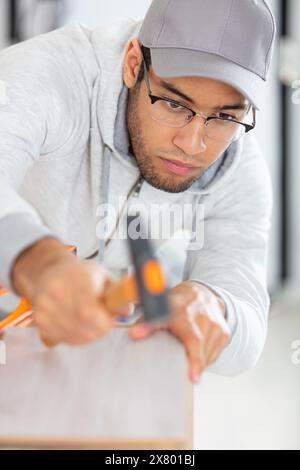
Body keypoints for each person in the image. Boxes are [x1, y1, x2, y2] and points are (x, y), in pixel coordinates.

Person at [0, 0, 276, 381]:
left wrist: (217, 308)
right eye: (174, 103)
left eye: (226, 116)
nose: (192, 143)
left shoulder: (239, 168)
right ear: (134, 65)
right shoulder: (51, 75)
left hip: (99, 348)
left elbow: (247, 320)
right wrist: (40, 264)